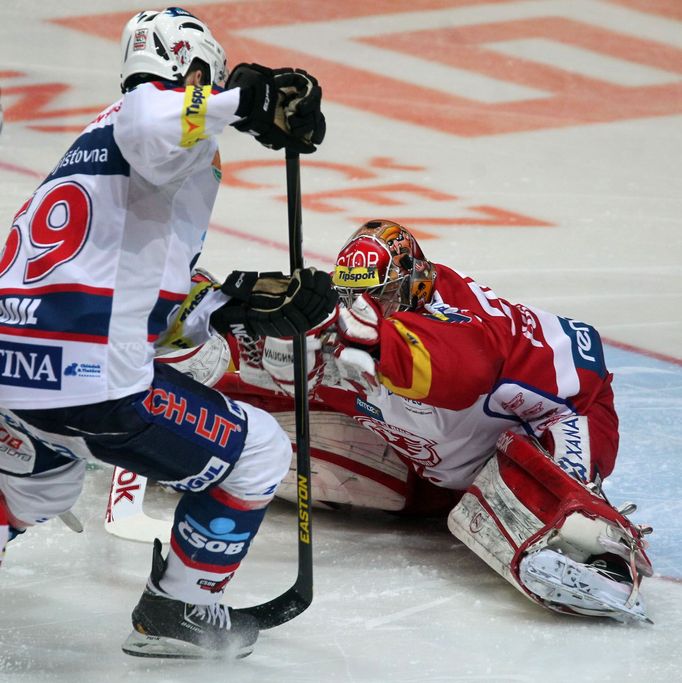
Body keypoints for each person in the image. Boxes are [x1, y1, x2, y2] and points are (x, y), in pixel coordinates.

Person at [0, 7, 336, 659]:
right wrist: (248, 100)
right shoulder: (152, 123)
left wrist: (232, 302)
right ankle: (176, 607)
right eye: (206, 76)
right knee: (259, 450)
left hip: (13, 370)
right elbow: (155, 117)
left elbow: (146, 300)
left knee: (38, 486)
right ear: (190, 67)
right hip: (87, 382)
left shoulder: (99, 157)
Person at [207, 219, 654, 624]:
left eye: (379, 295)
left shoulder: (454, 316)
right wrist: (218, 339)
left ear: (415, 282)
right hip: (433, 468)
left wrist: (383, 345)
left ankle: (599, 546)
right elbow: (265, 363)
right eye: (353, 296)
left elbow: (466, 365)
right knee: (258, 427)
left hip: (554, 415)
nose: (368, 306)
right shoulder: (344, 334)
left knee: (544, 511)